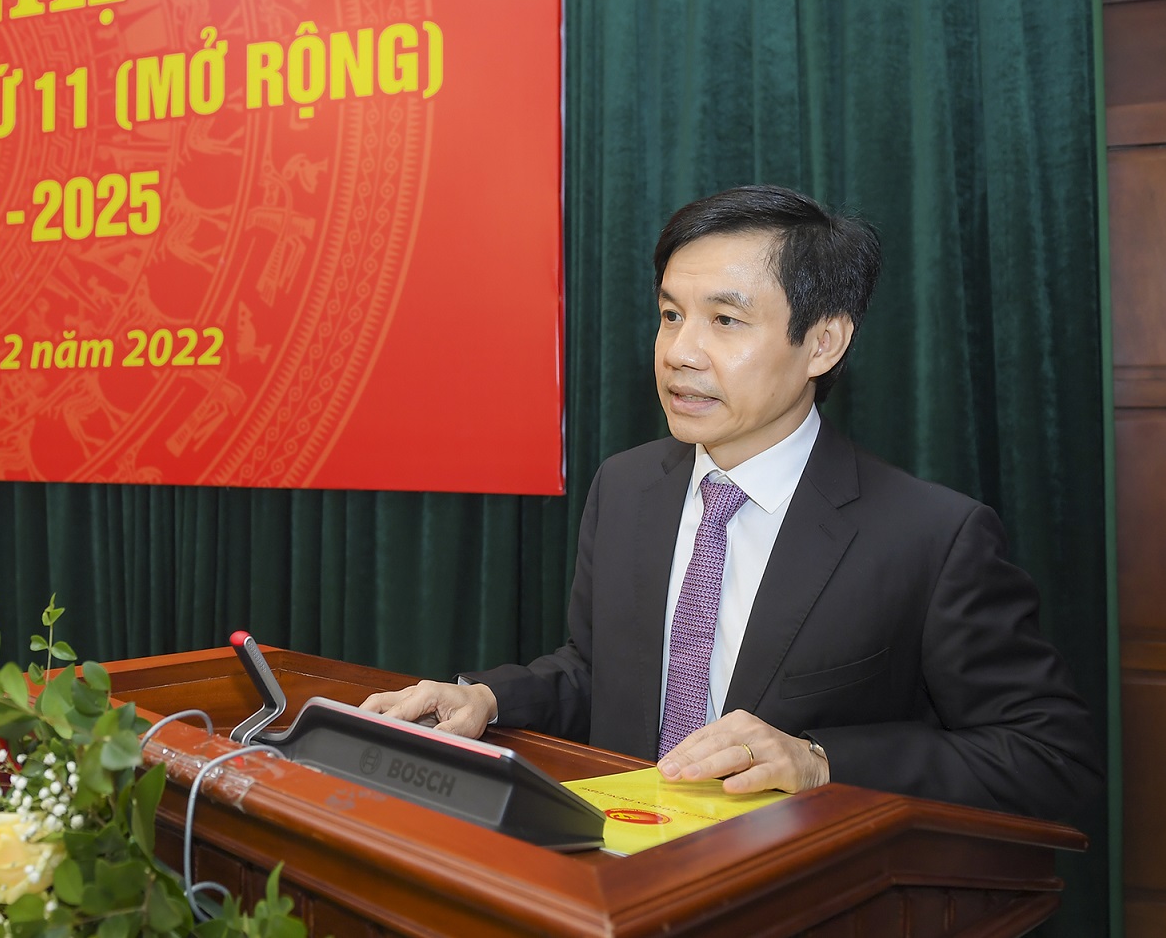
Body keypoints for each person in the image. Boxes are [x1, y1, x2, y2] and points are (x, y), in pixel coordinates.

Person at [361, 185, 1102, 822]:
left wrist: (818, 760)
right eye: (670, 314)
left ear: (823, 343)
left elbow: (1050, 757)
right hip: (619, 880)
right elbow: (600, 672)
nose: (679, 352)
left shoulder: (931, 536)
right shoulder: (625, 487)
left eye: (725, 320)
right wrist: (488, 698)